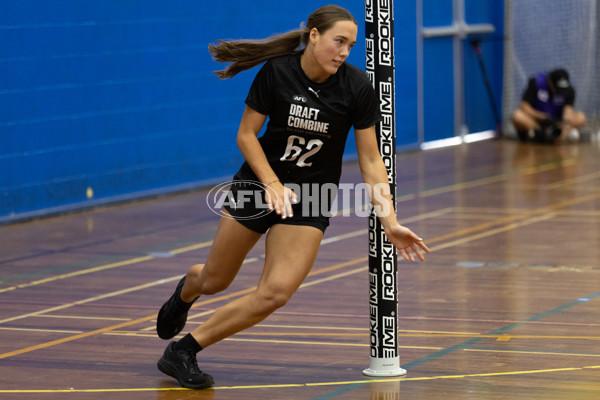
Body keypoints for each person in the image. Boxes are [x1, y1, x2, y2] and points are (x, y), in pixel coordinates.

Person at [155, 5, 429, 390]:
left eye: (350, 45)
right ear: (314, 35)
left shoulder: (356, 87)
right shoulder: (279, 72)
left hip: (311, 198)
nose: (344, 52)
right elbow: (246, 135)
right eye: (339, 41)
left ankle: (183, 351)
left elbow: (370, 159)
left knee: (275, 293)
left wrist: (391, 221)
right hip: (257, 187)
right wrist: (271, 183)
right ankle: (187, 291)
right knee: (216, 279)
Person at [512, 68, 586, 143]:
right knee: (517, 116)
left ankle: (558, 134)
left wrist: (565, 125)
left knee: (581, 117)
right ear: (549, 81)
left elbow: (568, 111)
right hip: (538, 120)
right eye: (557, 88)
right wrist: (541, 117)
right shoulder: (536, 83)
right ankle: (539, 132)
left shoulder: (569, 90)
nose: (559, 92)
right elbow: (524, 106)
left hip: (558, 121)